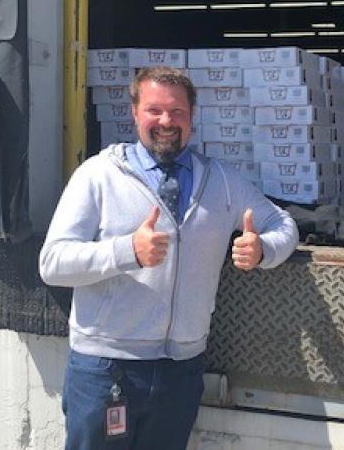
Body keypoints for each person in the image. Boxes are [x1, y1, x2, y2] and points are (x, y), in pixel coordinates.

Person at [39, 66, 299, 450]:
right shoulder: (98, 176)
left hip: (180, 371)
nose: (166, 121)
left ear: (193, 117)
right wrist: (127, 250)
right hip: (108, 369)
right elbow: (53, 263)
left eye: (177, 112)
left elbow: (282, 223)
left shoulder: (222, 181)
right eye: (154, 110)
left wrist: (264, 250)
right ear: (134, 113)